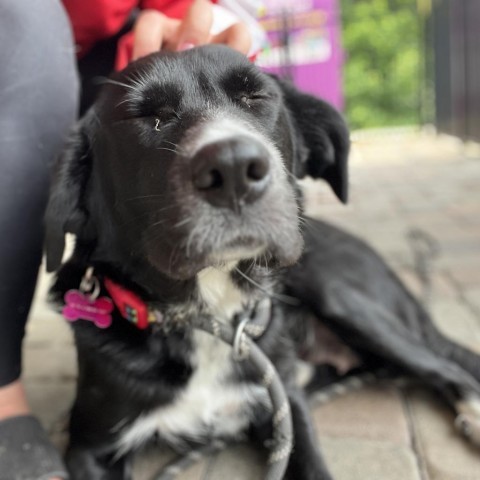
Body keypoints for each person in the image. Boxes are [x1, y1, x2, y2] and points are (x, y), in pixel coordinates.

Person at [0, 1, 252, 478]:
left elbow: (178, 13)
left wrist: (187, 37)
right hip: (25, 46)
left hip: (110, 58)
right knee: (25, 21)